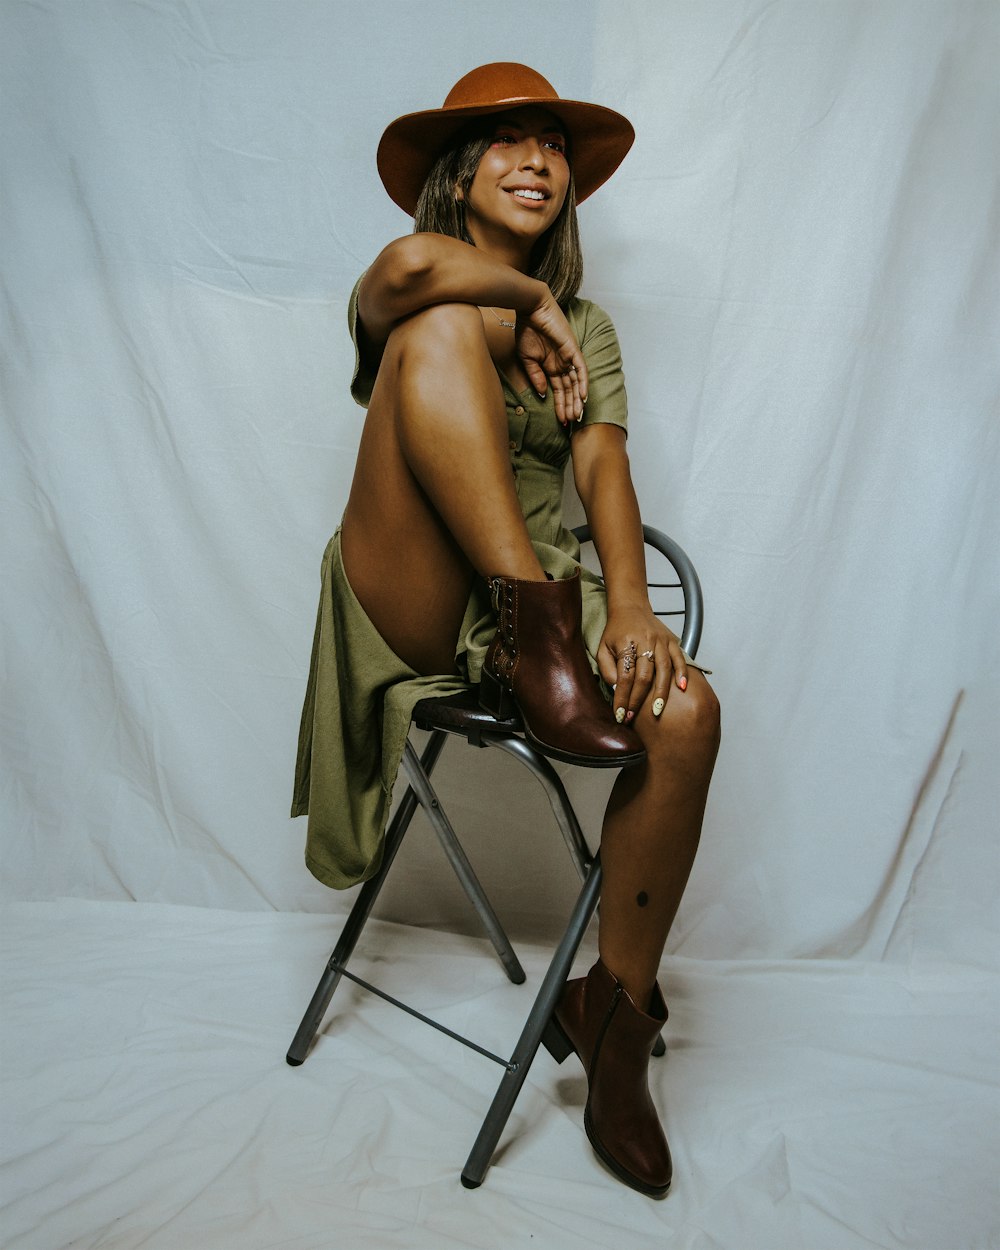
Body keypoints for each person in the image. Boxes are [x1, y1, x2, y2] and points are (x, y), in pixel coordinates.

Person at [292, 63, 721, 1197]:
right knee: (436, 334)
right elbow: (405, 272)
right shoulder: (422, 284)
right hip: (417, 599)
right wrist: (518, 304)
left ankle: (613, 1017)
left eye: (553, 146)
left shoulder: (590, 327)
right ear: (456, 175)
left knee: (689, 713)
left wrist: (627, 604)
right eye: (506, 141)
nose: (538, 159)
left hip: (546, 625)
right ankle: (539, 630)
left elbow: (603, 470)